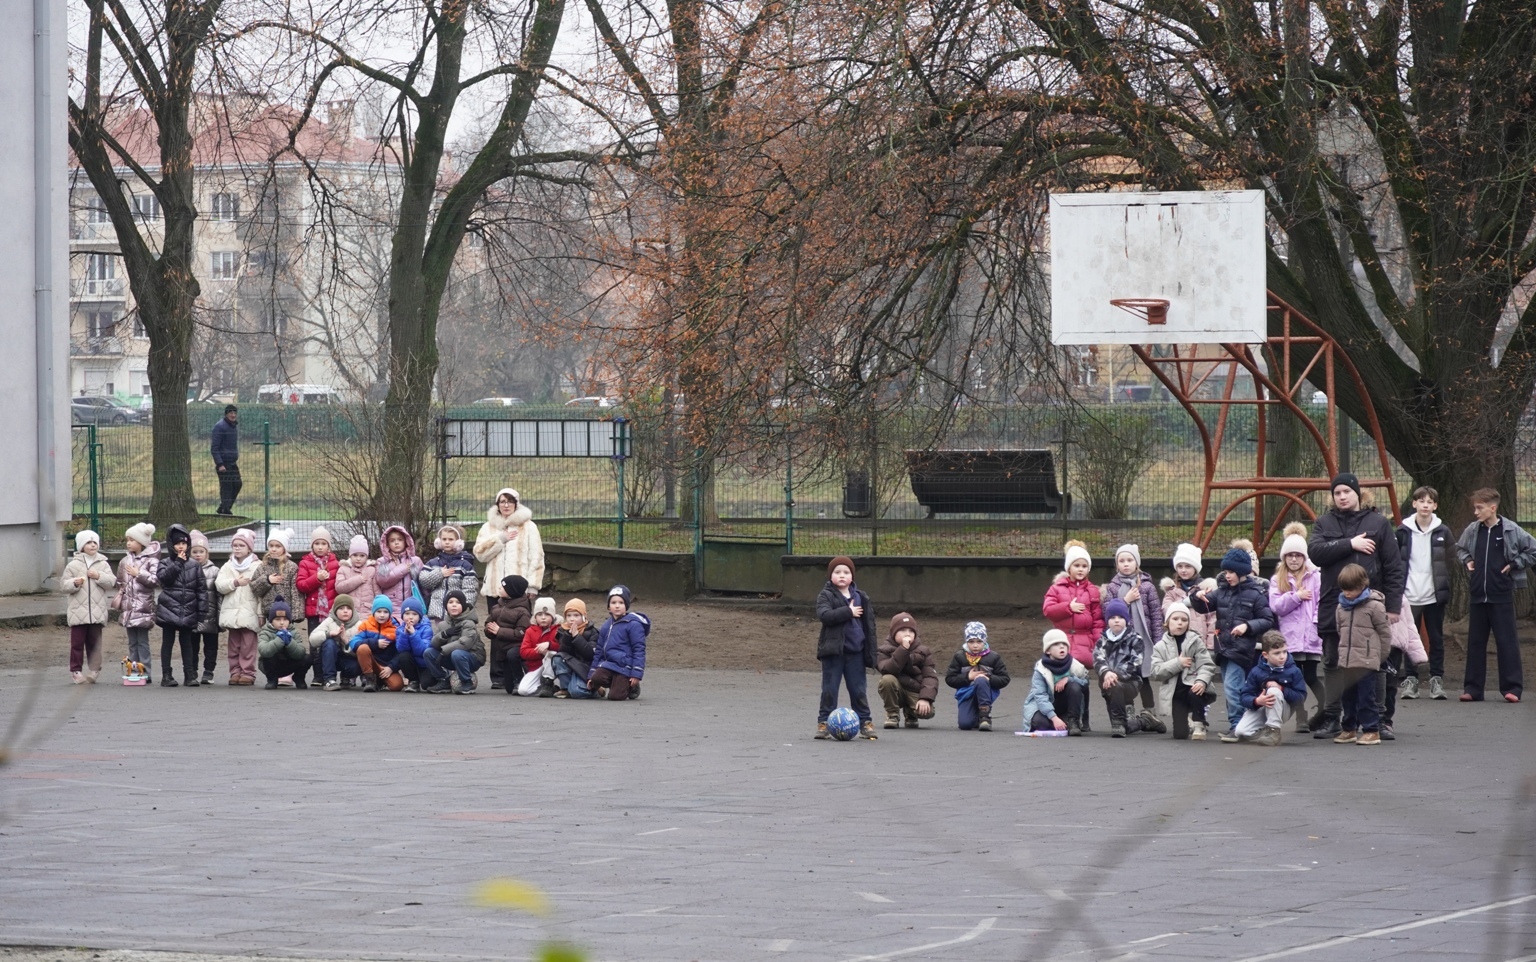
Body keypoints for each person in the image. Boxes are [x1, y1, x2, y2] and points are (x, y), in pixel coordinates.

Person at [1307, 473, 1404, 738]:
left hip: (1370, 608)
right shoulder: (1324, 522)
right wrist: (1350, 543)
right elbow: (1315, 553)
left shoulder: (1378, 523)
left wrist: (1393, 607)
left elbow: (1394, 567)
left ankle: (1380, 720)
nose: (1342, 497)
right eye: (1337, 493)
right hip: (1333, 605)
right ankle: (1334, 720)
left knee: (1376, 664)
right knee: (1334, 663)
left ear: (1357, 494)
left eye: (1346, 492)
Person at [1456, 487, 1536, 703]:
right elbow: (1460, 549)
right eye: (1475, 508)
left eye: (1479, 508)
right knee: (1475, 643)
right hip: (1478, 596)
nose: (1476, 512)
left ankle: (1512, 689)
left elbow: (1533, 550)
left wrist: (1515, 564)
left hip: (1501, 594)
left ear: (1493, 508)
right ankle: (1472, 689)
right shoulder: (1473, 530)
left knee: (1506, 642)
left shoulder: (1511, 530)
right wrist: (1467, 560)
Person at [1189, 548, 1276, 742]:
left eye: (1230, 572)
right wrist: (1197, 595)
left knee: (1232, 687)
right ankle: (1237, 724)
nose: (1226, 576)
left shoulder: (1255, 595)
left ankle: (1237, 725)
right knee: (1233, 688)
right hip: (1224, 648)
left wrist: (1247, 626)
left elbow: (1267, 619)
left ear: (1242, 572)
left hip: (1241, 649)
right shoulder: (1221, 592)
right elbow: (1202, 606)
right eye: (1225, 572)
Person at [1396, 486, 1452, 701]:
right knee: (1411, 639)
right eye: (1422, 501)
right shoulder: (1403, 530)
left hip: (1433, 595)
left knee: (1436, 638)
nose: (1425, 505)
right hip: (1409, 595)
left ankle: (1436, 679)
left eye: (1430, 502)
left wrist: (1443, 585)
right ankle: (1411, 680)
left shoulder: (1443, 531)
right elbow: (1395, 560)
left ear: (1435, 506)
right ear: (1414, 504)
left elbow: (1450, 558)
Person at [815, 557, 878, 740]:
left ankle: (865, 722)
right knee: (829, 689)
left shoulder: (861, 596)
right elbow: (825, 615)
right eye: (837, 572)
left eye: (846, 572)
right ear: (830, 576)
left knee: (859, 690)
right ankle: (824, 722)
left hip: (855, 651)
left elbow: (869, 626)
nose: (842, 575)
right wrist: (848, 612)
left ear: (852, 576)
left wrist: (870, 652)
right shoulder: (825, 595)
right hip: (833, 652)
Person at [1270, 522, 1324, 731]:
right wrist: (1296, 596)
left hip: (1310, 635)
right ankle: (1301, 715)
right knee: (1293, 677)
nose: (1294, 559)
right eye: (1290, 555)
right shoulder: (1277, 579)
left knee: (1310, 675)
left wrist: (1316, 626)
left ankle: (1326, 709)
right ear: (1284, 557)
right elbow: (1276, 606)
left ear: (1305, 557)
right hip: (1290, 637)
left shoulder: (1315, 576)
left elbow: (1320, 603)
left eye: (1298, 555)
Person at [1334, 563, 1390, 745]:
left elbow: (1384, 634)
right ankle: (1349, 728)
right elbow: (1339, 630)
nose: (1347, 593)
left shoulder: (1374, 607)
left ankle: (1371, 729)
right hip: (1348, 660)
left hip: (1367, 661)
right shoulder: (1341, 607)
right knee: (1347, 696)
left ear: (1362, 585)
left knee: (1367, 697)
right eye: (1344, 589)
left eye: (1351, 589)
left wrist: (1379, 657)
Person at [1092, 598, 1165, 737]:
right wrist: (1106, 673)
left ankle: (1119, 724)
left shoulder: (1135, 639)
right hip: (1108, 682)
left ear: (1127, 619)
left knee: (1118, 722)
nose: (1117, 620)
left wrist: (1116, 675)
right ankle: (1145, 721)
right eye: (1112, 617)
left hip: (1130, 683)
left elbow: (1135, 662)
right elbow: (1098, 659)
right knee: (1124, 722)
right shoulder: (1102, 640)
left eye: (1120, 617)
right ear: (1107, 621)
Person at [1105, 543, 1161, 712]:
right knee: (1126, 676)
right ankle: (1128, 710)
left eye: (1130, 560)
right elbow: (1107, 611)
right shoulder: (1113, 587)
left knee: (1144, 677)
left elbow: (1156, 615)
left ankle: (1149, 711)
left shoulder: (1147, 586)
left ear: (1137, 563)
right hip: (1122, 641)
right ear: (1116, 565)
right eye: (1121, 561)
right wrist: (1125, 600)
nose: (1126, 564)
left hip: (1143, 640)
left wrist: (1158, 640)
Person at [1149, 601, 1217, 740]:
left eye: (1184, 619)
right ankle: (1186, 721)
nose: (1180, 623)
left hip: (1193, 686)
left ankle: (1199, 723)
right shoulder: (1160, 646)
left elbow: (1207, 665)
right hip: (1175, 693)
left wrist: (1202, 681)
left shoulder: (1195, 641)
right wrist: (1178, 663)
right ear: (1167, 622)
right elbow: (1155, 672)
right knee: (1180, 735)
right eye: (1175, 619)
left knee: (1195, 691)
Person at [473, 488, 545, 616]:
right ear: (497, 505)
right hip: (495, 588)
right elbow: (480, 554)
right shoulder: (488, 527)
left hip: (519, 589)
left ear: (516, 504)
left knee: (519, 626)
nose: (506, 505)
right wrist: (500, 540)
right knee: (494, 626)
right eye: (502, 501)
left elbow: (536, 557)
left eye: (510, 501)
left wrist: (533, 585)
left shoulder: (529, 526)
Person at [154, 523, 206, 687]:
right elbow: (163, 579)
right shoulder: (164, 562)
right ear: (171, 545)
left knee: (187, 643)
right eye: (177, 543)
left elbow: (201, 589)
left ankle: (189, 674)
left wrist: (202, 612)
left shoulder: (195, 565)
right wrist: (176, 564)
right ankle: (166, 675)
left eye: (183, 543)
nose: (181, 546)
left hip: (188, 608)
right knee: (167, 642)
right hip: (169, 607)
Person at [1233, 631, 1307, 746]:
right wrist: (1257, 701)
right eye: (1276, 653)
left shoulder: (1294, 671)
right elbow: (1244, 696)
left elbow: (1301, 698)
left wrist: (1282, 688)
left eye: (1284, 651)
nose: (1282, 656)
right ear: (1265, 655)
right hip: (1263, 706)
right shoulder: (1256, 671)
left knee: (1273, 691)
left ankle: (1273, 730)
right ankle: (1264, 732)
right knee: (1241, 732)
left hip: (1283, 709)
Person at [61, 529, 115, 684]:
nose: (92, 545)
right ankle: (76, 671)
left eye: (94, 542)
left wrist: (98, 576)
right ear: (81, 546)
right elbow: (64, 585)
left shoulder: (103, 563)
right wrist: (74, 583)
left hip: (97, 612)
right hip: (78, 612)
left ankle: (94, 670)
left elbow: (111, 582)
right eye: (88, 542)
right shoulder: (73, 565)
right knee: (76, 643)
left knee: (94, 643)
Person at [216, 528, 262, 685]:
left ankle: (248, 672)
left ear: (249, 548)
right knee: (234, 645)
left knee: (248, 645)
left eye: (241, 545)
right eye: (235, 545)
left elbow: (261, 590)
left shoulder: (257, 566)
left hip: (249, 612)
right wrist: (234, 582)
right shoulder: (228, 566)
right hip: (232, 612)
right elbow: (219, 585)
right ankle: (235, 672)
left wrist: (261, 613)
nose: (237, 548)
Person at [876, 612, 938, 729]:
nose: (907, 634)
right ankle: (892, 714)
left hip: (914, 689)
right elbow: (888, 669)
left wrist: (925, 698)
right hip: (896, 688)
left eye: (911, 631)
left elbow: (930, 676)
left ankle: (910, 712)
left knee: (928, 713)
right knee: (887, 679)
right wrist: (903, 649)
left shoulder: (923, 651)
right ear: (893, 633)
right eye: (903, 630)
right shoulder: (883, 651)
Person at [944, 621, 1010, 731]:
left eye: (979, 641)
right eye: (971, 641)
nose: (975, 645)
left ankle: (984, 716)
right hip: (966, 692)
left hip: (985, 691)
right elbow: (950, 679)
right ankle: (975, 717)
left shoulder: (993, 657)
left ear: (985, 641)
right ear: (966, 641)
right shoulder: (959, 656)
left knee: (980, 680)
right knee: (965, 724)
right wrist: (967, 677)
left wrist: (989, 678)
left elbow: (1005, 679)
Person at [1023, 629, 1089, 735]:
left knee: (1075, 686)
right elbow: (1040, 696)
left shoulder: (1075, 665)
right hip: (1044, 706)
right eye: (1056, 644)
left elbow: (1085, 683)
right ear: (1048, 651)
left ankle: (1073, 722)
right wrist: (1054, 718)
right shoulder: (1041, 669)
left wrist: (1069, 679)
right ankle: (1059, 723)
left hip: (1063, 705)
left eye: (1064, 644)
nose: (1062, 647)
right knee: (1039, 724)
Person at [590, 585, 649, 702]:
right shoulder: (607, 625)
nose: (617, 606)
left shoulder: (633, 624)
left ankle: (631, 686)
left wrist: (636, 673)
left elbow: (639, 650)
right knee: (595, 679)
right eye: (613, 602)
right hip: (609, 664)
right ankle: (619, 683)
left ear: (626, 605)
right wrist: (591, 672)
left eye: (621, 602)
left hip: (625, 666)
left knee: (615, 697)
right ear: (608, 606)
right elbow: (599, 649)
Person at [117, 522, 160, 684]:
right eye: (127, 539)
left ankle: (146, 671)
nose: (128, 543)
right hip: (129, 608)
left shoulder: (151, 561)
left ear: (141, 543)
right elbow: (120, 582)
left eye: (132, 540)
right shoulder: (124, 561)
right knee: (132, 642)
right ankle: (134, 670)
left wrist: (138, 573)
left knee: (142, 641)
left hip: (143, 608)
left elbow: (155, 580)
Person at [420, 525, 480, 623]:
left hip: (458, 613)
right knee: (440, 636)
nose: (447, 542)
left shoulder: (465, 565)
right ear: (439, 541)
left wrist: (464, 607)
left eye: (451, 539)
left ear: (458, 542)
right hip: (438, 611)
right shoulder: (433, 563)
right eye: (444, 539)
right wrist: (440, 574)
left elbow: (470, 589)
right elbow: (423, 581)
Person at [1161, 542, 1217, 649]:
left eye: (1187, 566)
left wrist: (1210, 646)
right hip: (1177, 644)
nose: (1183, 570)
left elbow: (1212, 620)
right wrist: (1186, 602)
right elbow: (1166, 611)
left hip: (1200, 644)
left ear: (1195, 568)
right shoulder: (1171, 590)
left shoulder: (1206, 589)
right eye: (1180, 566)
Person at [486, 575, 532, 691]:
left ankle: (520, 679)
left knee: (512, 655)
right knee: (508, 688)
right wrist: (489, 629)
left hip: (516, 648)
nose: (499, 588)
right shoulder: (497, 607)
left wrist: (499, 631)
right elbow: (489, 622)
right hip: (502, 649)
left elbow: (522, 632)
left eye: (503, 587)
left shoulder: (522, 611)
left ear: (512, 591)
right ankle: (513, 682)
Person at [350, 595, 404, 692]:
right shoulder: (365, 625)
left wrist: (391, 667)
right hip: (371, 662)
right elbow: (354, 643)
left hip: (386, 665)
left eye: (385, 612)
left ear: (390, 613)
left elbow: (401, 652)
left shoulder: (396, 629)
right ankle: (370, 680)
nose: (382, 615)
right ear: (374, 612)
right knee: (362, 648)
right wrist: (374, 643)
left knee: (397, 685)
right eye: (379, 611)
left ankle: (379, 682)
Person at [434, 590, 483, 694]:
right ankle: (444, 680)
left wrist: (444, 651)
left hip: (472, 657)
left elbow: (464, 644)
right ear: (446, 606)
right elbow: (433, 643)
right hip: (452, 656)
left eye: (458, 602)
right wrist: (444, 634)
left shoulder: (469, 623)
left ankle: (467, 683)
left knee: (457, 653)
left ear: (463, 605)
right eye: (450, 602)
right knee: (429, 652)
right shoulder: (443, 624)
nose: (454, 605)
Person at [190, 530, 222, 686]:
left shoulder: (215, 571)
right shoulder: (186, 570)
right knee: (192, 645)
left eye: (201, 551)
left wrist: (220, 616)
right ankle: (193, 671)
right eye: (194, 551)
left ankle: (208, 672)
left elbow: (219, 594)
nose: (198, 555)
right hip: (192, 615)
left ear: (207, 553)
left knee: (211, 646)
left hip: (210, 615)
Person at [311, 593, 361, 690]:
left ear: (353, 610)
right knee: (329, 643)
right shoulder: (329, 621)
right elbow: (312, 639)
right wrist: (329, 634)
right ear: (335, 610)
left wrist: (346, 641)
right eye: (341, 608)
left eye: (348, 608)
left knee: (358, 666)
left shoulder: (359, 625)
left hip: (348, 657)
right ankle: (329, 680)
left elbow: (361, 651)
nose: (345, 611)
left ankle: (346, 677)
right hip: (329, 658)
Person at [295, 526, 340, 635]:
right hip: (314, 611)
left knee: (331, 640)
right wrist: (317, 579)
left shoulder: (335, 563)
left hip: (331, 610)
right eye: (317, 543)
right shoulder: (305, 563)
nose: (320, 547)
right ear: (312, 545)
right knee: (314, 640)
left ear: (328, 546)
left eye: (323, 544)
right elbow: (301, 585)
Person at [256, 600, 310, 690]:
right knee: (268, 657)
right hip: (271, 666)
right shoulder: (265, 632)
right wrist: (279, 640)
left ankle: (299, 678)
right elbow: (263, 650)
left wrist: (289, 642)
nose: (281, 622)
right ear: (271, 621)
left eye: (285, 619)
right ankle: (272, 680)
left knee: (307, 658)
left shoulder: (294, 631)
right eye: (277, 619)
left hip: (289, 664)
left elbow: (301, 652)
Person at [552, 598, 598, 698]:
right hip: (571, 665)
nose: (572, 619)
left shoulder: (592, 631)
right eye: (569, 615)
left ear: (584, 616)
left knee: (577, 692)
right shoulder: (562, 630)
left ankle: (596, 690)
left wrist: (577, 637)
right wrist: (568, 637)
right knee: (558, 658)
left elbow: (590, 655)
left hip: (584, 667)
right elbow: (563, 652)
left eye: (576, 615)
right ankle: (565, 689)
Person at [516, 598, 561, 696]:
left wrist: (549, 645)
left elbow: (562, 647)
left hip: (555, 665)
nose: (543, 617)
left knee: (551, 654)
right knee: (523, 691)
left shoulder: (559, 629)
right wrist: (539, 651)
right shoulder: (530, 631)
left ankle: (548, 683)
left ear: (553, 616)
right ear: (535, 617)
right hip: (536, 666)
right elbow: (523, 651)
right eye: (539, 615)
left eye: (547, 614)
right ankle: (548, 688)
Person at [396, 597, 443, 693]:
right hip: (411, 663)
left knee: (427, 684)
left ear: (420, 616)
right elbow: (401, 649)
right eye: (407, 614)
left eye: (414, 614)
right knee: (402, 656)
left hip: (424, 664)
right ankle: (413, 681)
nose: (410, 617)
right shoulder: (400, 629)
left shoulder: (426, 628)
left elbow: (422, 650)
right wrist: (405, 634)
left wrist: (413, 634)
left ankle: (441, 677)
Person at [374, 525, 422, 618]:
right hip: (390, 608)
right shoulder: (383, 561)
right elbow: (383, 581)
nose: (396, 543)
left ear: (406, 541)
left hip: (412, 607)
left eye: (400, 540)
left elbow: (422, 584)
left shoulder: (415, 560)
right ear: (387, 544)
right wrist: (404, 568)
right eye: (392, 540)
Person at [211, 404, 241, 516]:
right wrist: (220, 464)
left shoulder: (233, 426)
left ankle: (224, 507)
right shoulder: (219, 427)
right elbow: (214, 448)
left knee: (237, 484)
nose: (233, 415)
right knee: (226, 487)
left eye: (234, 413)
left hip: (233, 462)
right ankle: (225, 511)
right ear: (226, 414)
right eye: (231, 413)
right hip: (224, 463)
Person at [335, 534, 379, 609]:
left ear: (366, 557)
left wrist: (378, 608)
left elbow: (377, 592)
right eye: (355, 555)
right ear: (350, 556)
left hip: (367, 610)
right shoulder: (343, 568)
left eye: (362, 556)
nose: (358, 558)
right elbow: (339, 588)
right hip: (349, 611)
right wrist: (357, 580)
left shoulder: (371, 570)